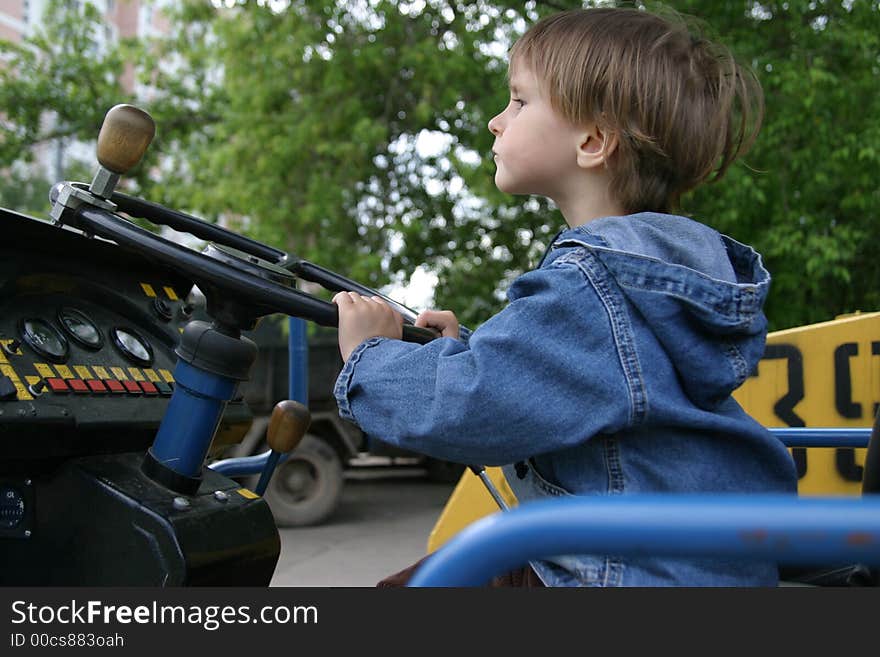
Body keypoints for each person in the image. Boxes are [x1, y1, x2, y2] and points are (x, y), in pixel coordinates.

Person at [331, 7, 797, 586]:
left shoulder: (594, 282)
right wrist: (462, 352)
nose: (497, 122)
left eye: (520, 102)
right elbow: (572, 385)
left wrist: (371, 358)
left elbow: (471, 407)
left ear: (594, 140)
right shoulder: (646, 277)